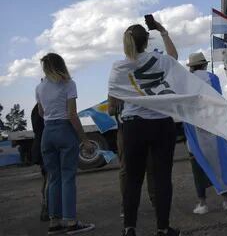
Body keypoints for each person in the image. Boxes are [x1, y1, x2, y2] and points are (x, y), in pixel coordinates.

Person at [108, 23, 181, 236]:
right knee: (162, 178)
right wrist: (163, 31)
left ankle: (129, 228)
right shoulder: (160, 60)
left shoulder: (119, 67)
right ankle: (163, 228)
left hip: (133, 126)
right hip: (161, 124)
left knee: (132, 179)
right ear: (147, 41)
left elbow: (112, 103)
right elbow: (174, 56)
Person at [36, 53, 95, 234]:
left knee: (54, 179)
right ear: (61, 65)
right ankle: (71, 222)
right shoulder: (69, 84)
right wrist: (84, 139)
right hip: (64, 131)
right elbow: (72, 115)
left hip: (48, 133)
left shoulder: (39, 87)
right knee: (68, 177)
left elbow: (41, 112)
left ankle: (54, 222)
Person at [185, 52, 227, 215]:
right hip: (213, 125)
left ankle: (203, 203)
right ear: (204, 65)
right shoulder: (213, 78)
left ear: (191, 67)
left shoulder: (186, 81)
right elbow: (218, 101)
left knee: (197, 164)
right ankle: (226, 200)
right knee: (219, 162)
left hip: (195, 127)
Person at [30, 103, 49, 221]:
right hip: (45, 145)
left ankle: (46, 207)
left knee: (47, 178)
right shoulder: (43, 106)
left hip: (41, 145)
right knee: (50, 179)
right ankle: (46, 209)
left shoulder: (36, 108)